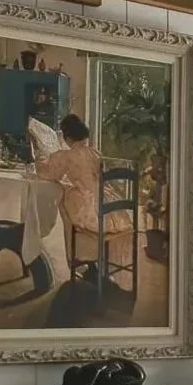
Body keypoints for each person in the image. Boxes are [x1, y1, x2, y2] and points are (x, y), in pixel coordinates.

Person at [35, 113, 134, 276]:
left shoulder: (67, 155)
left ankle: (76, 258)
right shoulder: (94, 152)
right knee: (69, 197)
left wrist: (39, 157)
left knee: (64, 206)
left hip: (93, 212)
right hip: (110, 208)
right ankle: (89, 261)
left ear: (67, 137)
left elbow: (48, 174)